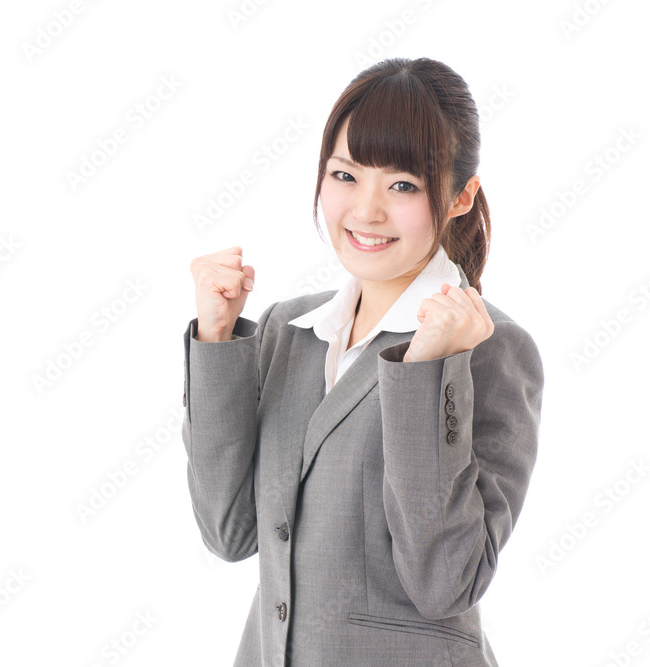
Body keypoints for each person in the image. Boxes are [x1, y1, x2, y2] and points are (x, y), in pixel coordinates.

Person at [181, 57, 545, 666]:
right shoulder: (288, 330)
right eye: (345, 175)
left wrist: (426, 370)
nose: (366, 211)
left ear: (460, 197)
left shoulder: (490, 348)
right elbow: (230, 533)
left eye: (402, 185)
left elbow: (444, 580)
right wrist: (218, 341)